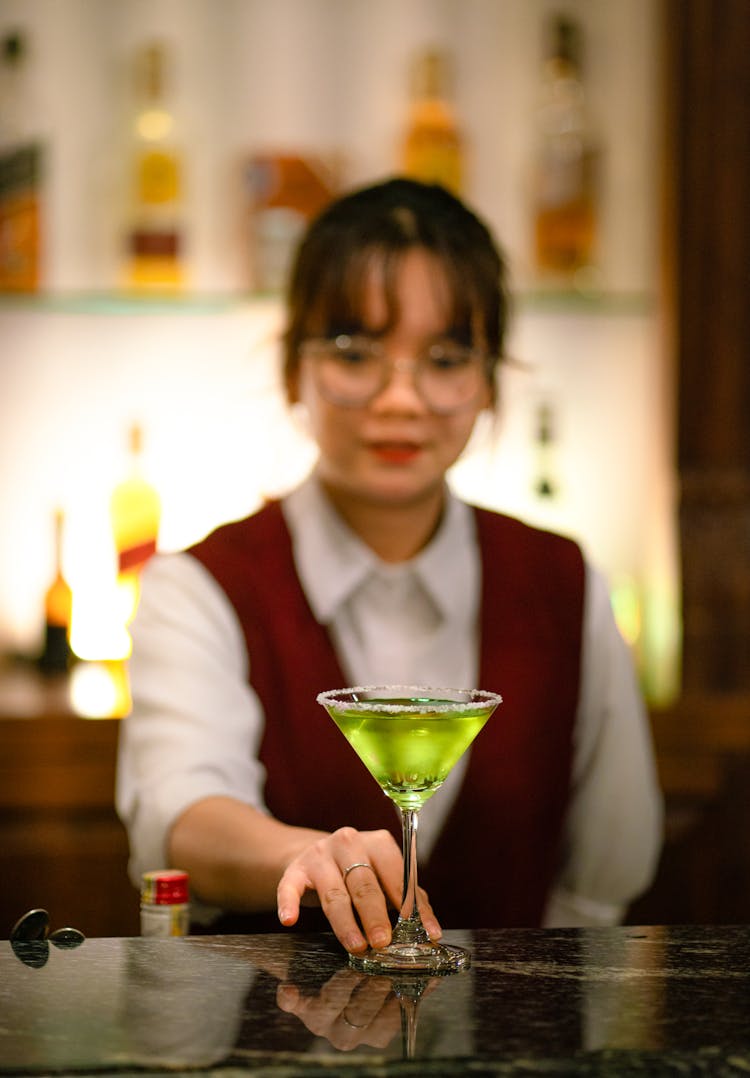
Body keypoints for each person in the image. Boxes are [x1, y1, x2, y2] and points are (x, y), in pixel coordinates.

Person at [115, 177, 662, 956]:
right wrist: (298, 857)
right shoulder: (198, 587)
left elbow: (608, 869)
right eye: (354, 351)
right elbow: (181, 817)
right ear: (293, 367)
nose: (401, 399)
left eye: (444, 358)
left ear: (488, 381)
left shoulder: (563, 582)